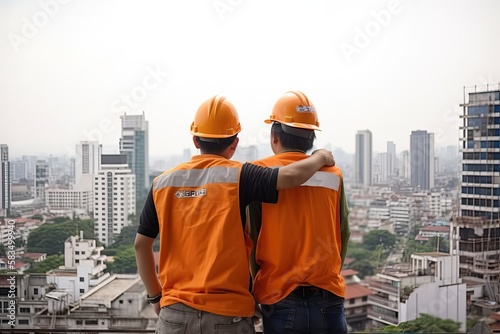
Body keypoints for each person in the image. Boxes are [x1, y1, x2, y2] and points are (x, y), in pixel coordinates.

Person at [134, 95, 335, 334]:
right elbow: (291, 177)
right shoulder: (241, 176)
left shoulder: (162, 183)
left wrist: (156, 297)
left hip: (175, 314)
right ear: (234, 143)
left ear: (195, 140)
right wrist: (320, 157)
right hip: (227, 316)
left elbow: (140, 245)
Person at [247, 90, 351, 334]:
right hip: (328, 297)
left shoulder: (259, 173)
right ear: (311, 139)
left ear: (274, 137)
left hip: (279, 296)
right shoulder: (332, 174)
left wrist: (255, 285)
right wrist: (329, 272)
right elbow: (343, 231)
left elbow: (251, 237)